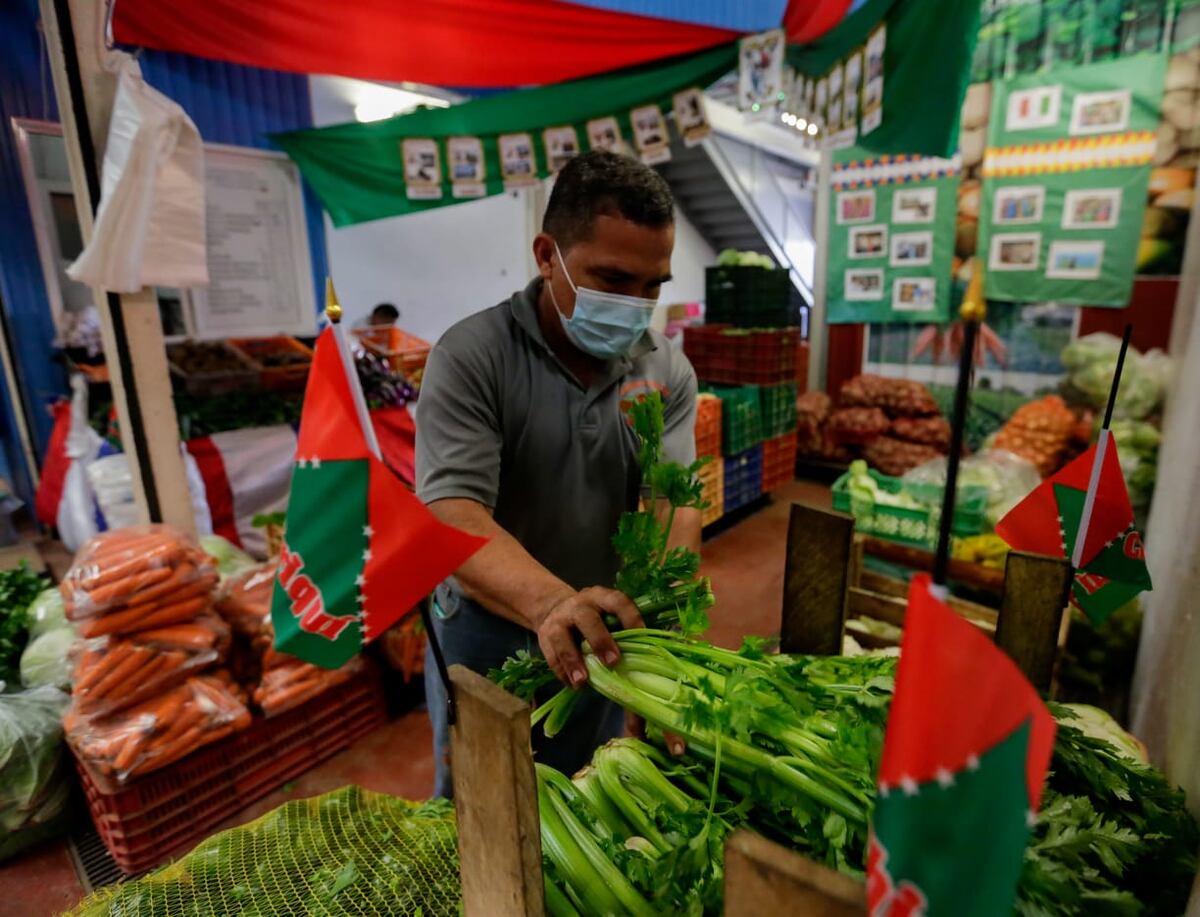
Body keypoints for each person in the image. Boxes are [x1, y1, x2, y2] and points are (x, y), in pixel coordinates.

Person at [415, 150, 699, 797]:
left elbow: (675, 501)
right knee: (484, 804)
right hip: (489, 633)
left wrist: (666, 625)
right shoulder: (473, 356)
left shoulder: (665, 369)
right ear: (548, 254)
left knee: (586, 788)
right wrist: (549, 603)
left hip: (601, 627)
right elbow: (451, 510)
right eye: (612, 278)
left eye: (653, 284)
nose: (636, 304)